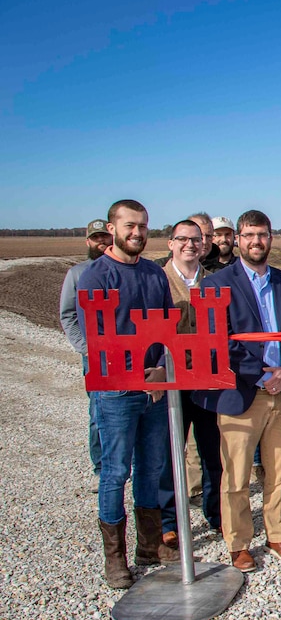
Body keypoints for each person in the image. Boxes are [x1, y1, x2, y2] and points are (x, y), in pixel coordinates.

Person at [193, 210, 281, 574]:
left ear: (271, 238)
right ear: (238, 240)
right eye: (249, 235)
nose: (257, 241)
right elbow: (216, 341)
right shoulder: (215, 284)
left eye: (263, 235)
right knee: (237, 475)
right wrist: (261, 375)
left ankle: (278, 535)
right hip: (243, 394)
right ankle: (239, 543)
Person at [77, 200, 177, 589]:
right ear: (113, 228)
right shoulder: (95, 276)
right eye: (130, 226)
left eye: (143, 226)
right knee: (116, 471)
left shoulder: (154, 274)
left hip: (153, 389)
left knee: (152, 468)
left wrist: (161, 368)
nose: (137, 233)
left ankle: (149, 547)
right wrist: (131, 373)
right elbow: (95, 338)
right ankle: (114, 558)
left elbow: (167, 329)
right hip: (116, 391)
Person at [159, 220, 223, 538]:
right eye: (182, 239)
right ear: (171, 243)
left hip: (208, 379)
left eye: (196, 240)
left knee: (213, 453)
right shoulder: (158, 281)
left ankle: (215, 514)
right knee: (171, 452)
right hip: (172, 382)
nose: (190, 245)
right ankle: (169, 522)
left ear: (204, 244)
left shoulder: (214, 282)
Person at [59, 218, 112, 481]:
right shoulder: (77, 274)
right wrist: (85, 348)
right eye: (96, 238)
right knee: (98, 411)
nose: (101, 242)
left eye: (105, 237)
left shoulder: (119, 271)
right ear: (88, 242)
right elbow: (67, 314)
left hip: (123, 353)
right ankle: (101, 467)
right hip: (95, 357)